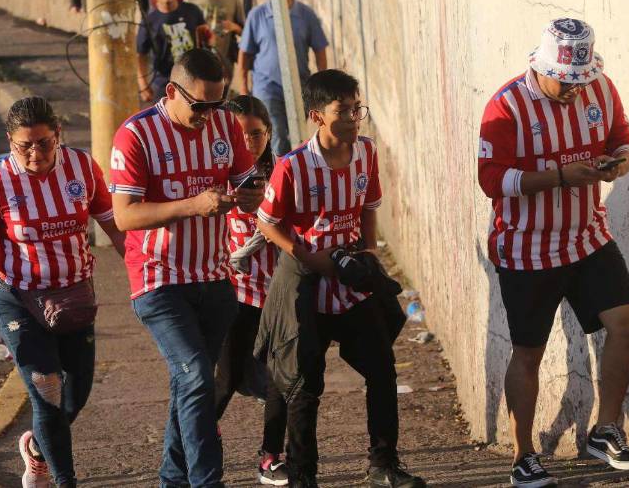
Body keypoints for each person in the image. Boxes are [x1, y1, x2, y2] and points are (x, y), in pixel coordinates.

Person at [477, 18, 629, 487]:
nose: (576, 89)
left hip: (587, 238)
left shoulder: (599, 88)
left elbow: (624, 140)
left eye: (582, 79)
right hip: (527, 249)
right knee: (528, 353)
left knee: (626, 324)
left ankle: (605, 429)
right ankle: (523, 455)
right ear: (542, 66)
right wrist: (558, 177)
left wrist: (619, 164)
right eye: (566, 81)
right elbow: (492, 180)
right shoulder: (506, 106)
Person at [256, 69, 426, 488]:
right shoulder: (294, 166)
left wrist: (368, 252)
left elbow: (370, 205)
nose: (353, 118)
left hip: (352, 286)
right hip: (308, 288)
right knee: (304, 386)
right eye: (343, 111)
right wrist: (308, 257)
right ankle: (301, 475)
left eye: (356, 108)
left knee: (382, 369)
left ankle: (383, 464)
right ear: (317, 116)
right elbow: (267, 223)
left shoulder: (365, 152)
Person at [110, 49, 264, 488]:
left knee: (190, 384)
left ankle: (172, 480)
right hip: (158, 279)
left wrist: (250, 195)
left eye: (218, 104)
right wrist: (193, 205)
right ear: (171, 91)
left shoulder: (224, 125)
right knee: (197, 374)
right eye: (200, 106)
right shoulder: (136, 134)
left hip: (214, 278)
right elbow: (124, 216)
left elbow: (243, 180)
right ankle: (205, 481)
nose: (209, 115)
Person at [0, 96, 126, 488]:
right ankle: (64, 480)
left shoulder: (82, 167)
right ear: (10, 142)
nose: (35, 153)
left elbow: (114, 225)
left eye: (44, 143)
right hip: (19, 298)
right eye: (24, 145)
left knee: (74, 395)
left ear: (58, 136)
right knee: (46, 386)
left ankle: (36, 448)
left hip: (74, 296)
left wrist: (144, 274)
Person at [214, 95, 288, 486]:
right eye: (240, 136)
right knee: (224, 378)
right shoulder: (215, 177)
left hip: (278, 294)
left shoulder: (283, 173)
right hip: (235, 293)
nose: (249, 142)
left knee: (281, 380)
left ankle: (271, 456)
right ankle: (196, 445)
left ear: (268, 132)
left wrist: (272, 211)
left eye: (256, 134)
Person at [238, 0, 328, 156]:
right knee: (276, 133)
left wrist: (321, 83)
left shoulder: (305, 15)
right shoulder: (258, 15)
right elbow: (245, 54)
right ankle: (278, 178)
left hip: (299, 85)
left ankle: (292, 174)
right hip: (267, 85)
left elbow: (320, 48)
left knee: (296, 133)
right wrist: (244, 87)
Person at [137, 0, 210, 104]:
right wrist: (142, 83)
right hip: (164, 83)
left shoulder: (192, 11)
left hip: (194, 79)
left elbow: (205, 38)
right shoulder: (149, 21)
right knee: (165, 122)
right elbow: (141, 54)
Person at [185, 0, 245, 82]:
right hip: (199, 64)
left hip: (225, 63)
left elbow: (245, 32)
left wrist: (233, 27)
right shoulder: (190, 0)